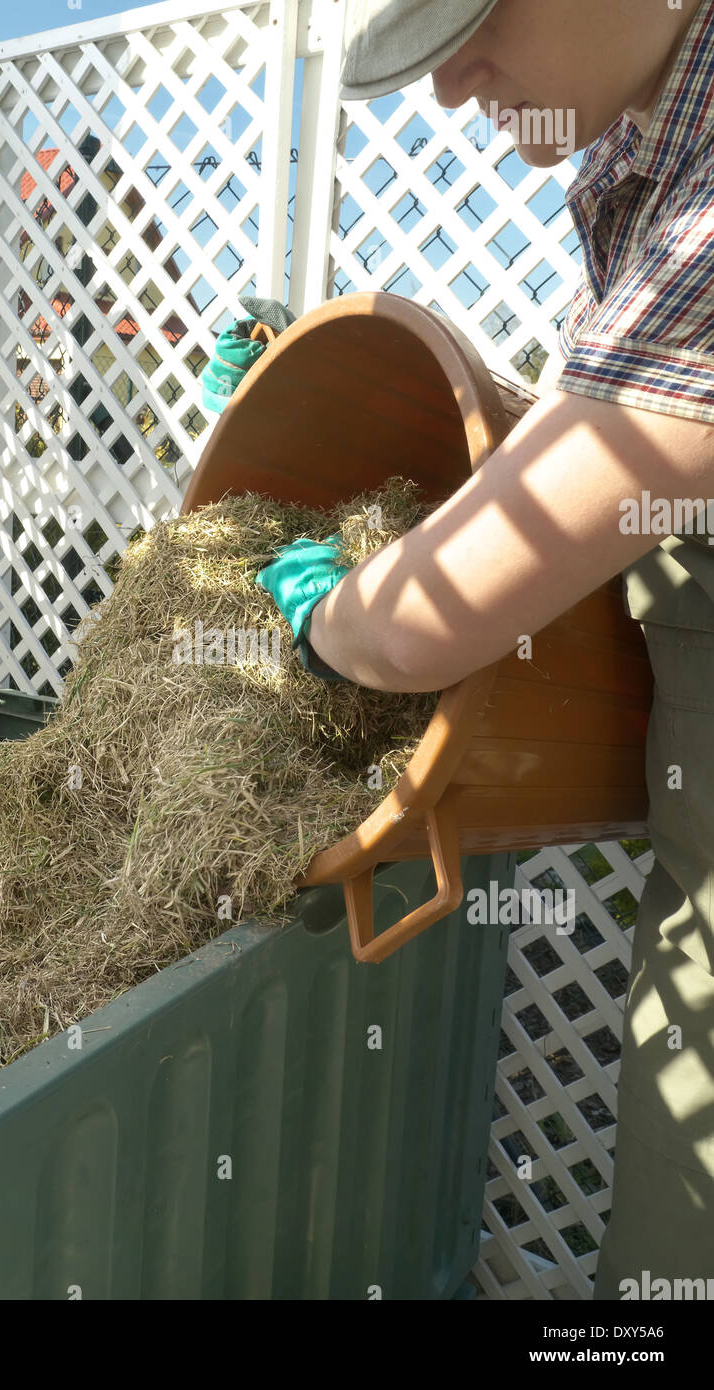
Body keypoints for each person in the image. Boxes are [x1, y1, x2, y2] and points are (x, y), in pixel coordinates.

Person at [257, 0, 714, 1297]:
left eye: (475, 13)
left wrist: (324, 621)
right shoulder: (644, 159)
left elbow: (431, 615)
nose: (454, 83)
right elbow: (577, 457)